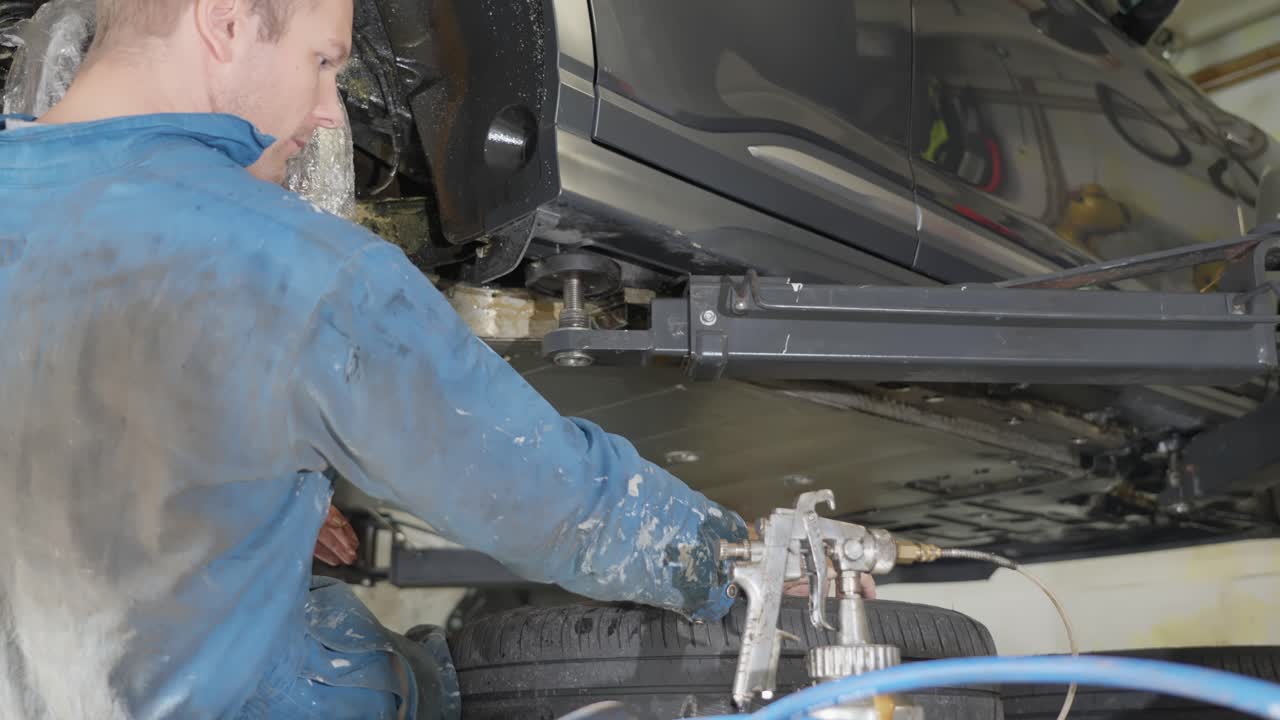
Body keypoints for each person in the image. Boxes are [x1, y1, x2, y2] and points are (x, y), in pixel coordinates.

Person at [0, 0, 747, 718]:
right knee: (405, 679)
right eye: (322, 60)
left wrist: (237, 478)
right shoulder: (306, 274)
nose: (330, 109)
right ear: (225, 21)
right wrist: (734, 565)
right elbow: (555, 502)